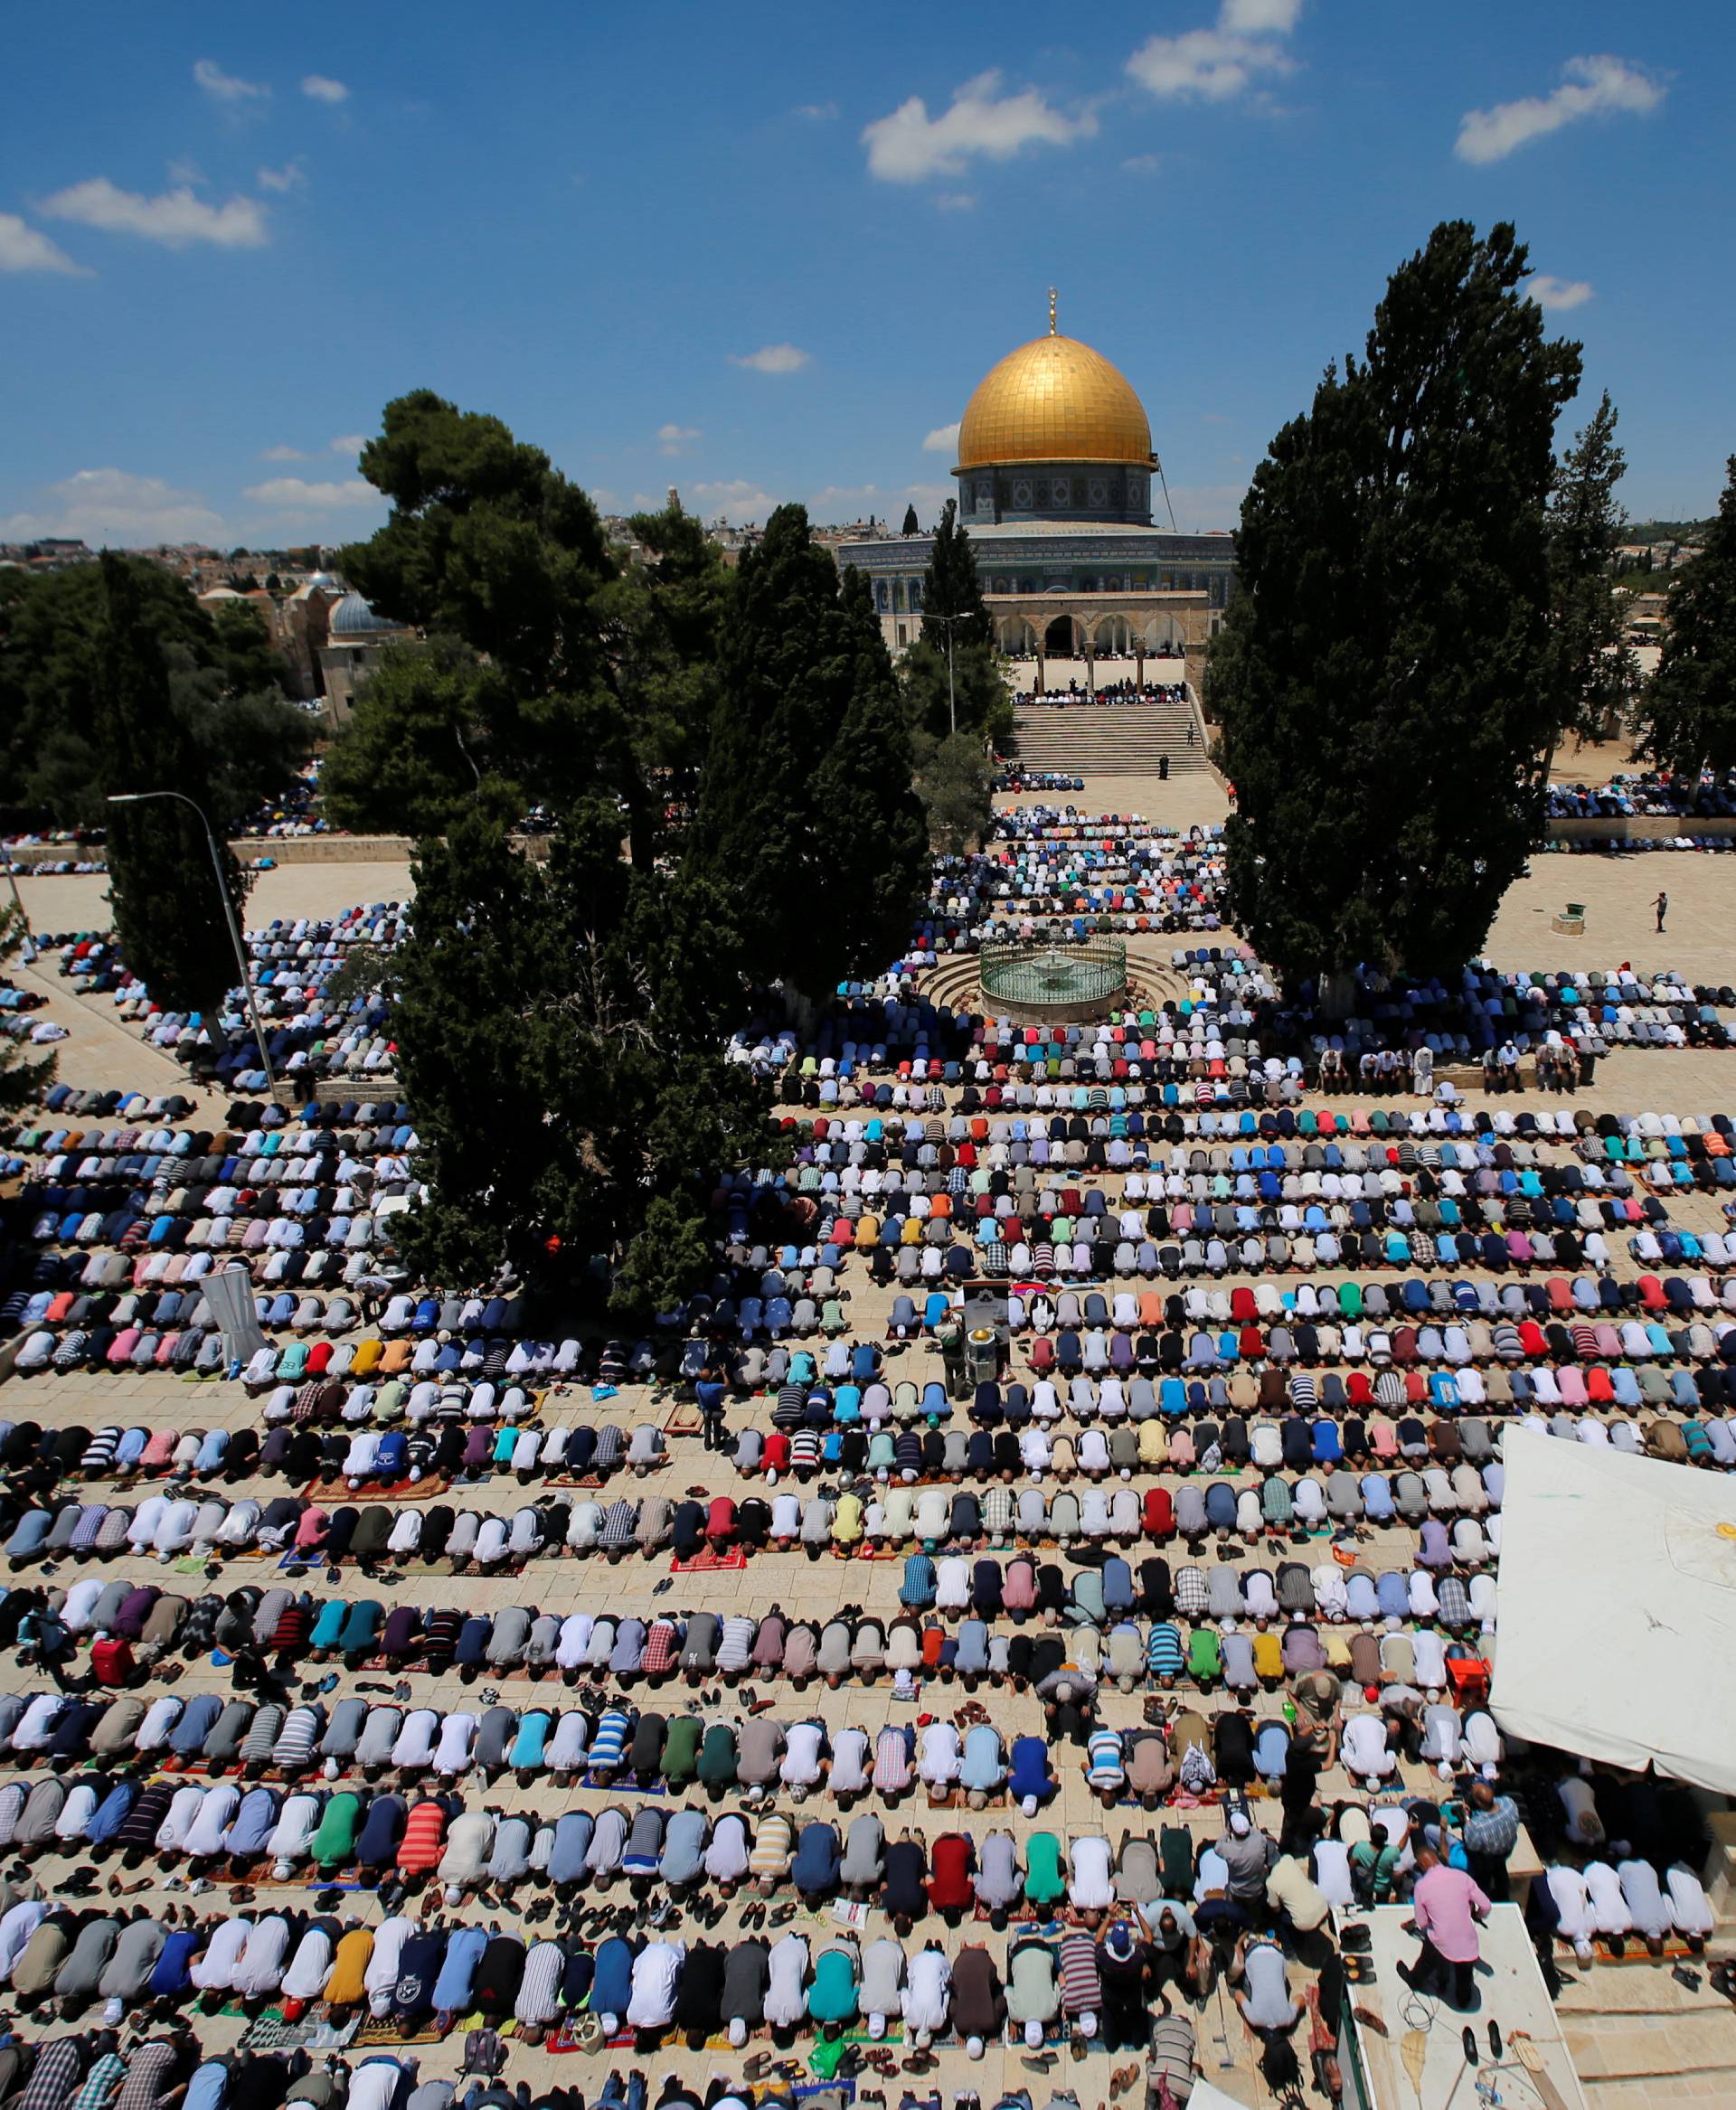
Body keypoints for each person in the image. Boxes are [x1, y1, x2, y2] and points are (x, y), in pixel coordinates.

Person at [1400, 1845, 1490, 2010]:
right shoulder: (1462, 1877)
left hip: (1440, 1941)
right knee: (1464, 1974)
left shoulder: (1421, 1886)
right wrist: (1477, 1915)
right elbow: (1486, 1905)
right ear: (1436, 1858)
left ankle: (1415, 1981)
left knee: (1426, 1962)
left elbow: (1422, 1922)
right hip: (1467, 1942)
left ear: (1421, 1865)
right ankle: (1463, 2001)